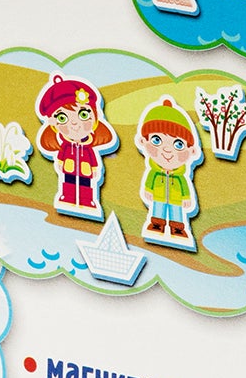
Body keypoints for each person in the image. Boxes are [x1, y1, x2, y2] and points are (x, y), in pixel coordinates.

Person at [35, 74, 117, 221]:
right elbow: (61, 155)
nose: (74, 124)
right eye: (62, 118)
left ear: (95, 116)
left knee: (86, 185)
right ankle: (67, 197)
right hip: (69, 167)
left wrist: (94, 168)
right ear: (53, 123)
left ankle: (87, 201)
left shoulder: (89, 147)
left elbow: (93, 158)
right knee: (68, 183)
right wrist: (61, 162)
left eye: (83, 114)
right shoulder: (65, 145)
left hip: (86, 170)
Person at [136, 98, 204, 248]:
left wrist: (186, 197)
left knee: (176, 212)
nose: (167, 150)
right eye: (156, 140)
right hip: (158, 195)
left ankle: (178, 229)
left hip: (176, 199)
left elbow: (185, 186)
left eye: (179, 144)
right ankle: (156, 225)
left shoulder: (180, 176)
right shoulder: (154, 172)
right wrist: (148, 190)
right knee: (158, 210)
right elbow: (150, 180)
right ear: (143, 141)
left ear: (192, 151)